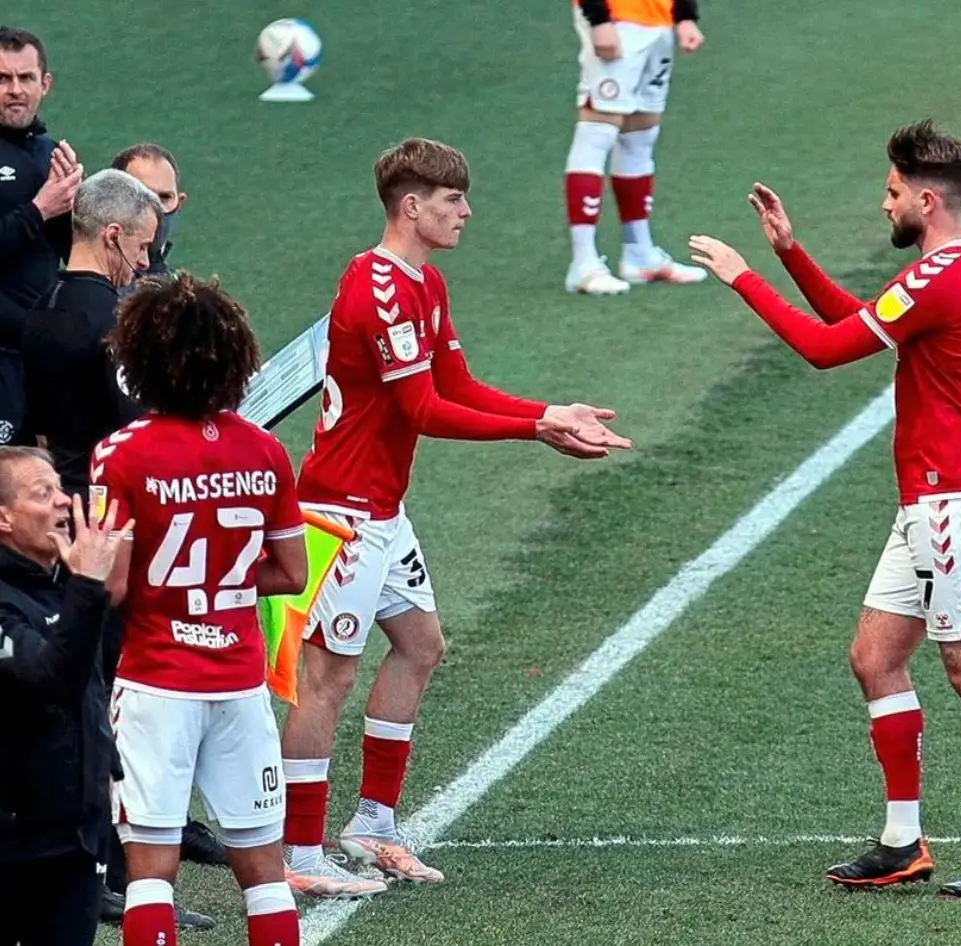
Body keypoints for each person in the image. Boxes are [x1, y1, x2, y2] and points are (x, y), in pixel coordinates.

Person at [687, 120, 961, 899]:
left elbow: (825, 350)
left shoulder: (939, 280)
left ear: (927, 198)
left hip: (954, 502)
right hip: (936, 499)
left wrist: (743, 275)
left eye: (892, 194)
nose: (884, 205)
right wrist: (790, 253)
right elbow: (861, 320)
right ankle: (902, 842)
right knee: (875, 657)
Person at [281, 136, 631, 897]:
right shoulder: (375, 288)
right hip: (341, 515)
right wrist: (535, 431)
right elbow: (425, 410)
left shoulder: (424, 283)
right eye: (452, 200)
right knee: (328, 678)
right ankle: (297, 854)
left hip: (382, 510)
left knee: (419, 644)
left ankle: (373, 826)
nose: (467, 212)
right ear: (412, 206)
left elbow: (456, 380)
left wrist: (549, 410)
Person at [92, 274, 308, 945]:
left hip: (157, 680)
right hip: (238, 679)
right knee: (265, 872)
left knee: (151, 872)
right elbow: (292, 571)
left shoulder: (122, 454)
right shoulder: (263, 450)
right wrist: (227, 587)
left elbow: (113, 584)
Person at [107, 144, 230, 874]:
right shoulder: (108, 293)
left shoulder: (163, 284)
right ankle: (130, 832)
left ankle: (170, 816)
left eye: (169, 199)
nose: (160, 211)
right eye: (147, 199)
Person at [0, 448, 131, 946]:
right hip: (14, 841)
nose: (63, 502)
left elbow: (89, 689)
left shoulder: (62, 583)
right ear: (4, 519)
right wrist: (89, 585)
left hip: (78, 832)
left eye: (60, 488)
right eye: (43, 493)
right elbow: (51, 682)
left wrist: (105, 769)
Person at [21, 168, 155, 495]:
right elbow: (139, 431)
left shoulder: (39, 311)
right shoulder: (119, 322)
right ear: (112, 236)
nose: (145, 262)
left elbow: (40, 434)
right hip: (111, 502)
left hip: (63, 499)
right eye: (142, 246)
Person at [562, 0, 706, 294]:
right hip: (617, 19)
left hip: (658, 20)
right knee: (597, 132)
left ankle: (639, 254)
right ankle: (583, 263)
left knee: (641, 135)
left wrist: (685, 15)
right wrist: (599, 19)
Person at [0, 26, 81, 445]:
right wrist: (40, 208)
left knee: (49, 482)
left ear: (44, 84)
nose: (15, 89)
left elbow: (68, 253)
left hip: (42, 357)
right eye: (3, 78)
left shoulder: (49, 152)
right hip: (1, 362)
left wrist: (77, 212)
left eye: (25, 78)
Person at [111, 143, 185, 283]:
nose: (156, 209)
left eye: (165, 197)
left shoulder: (185, 295)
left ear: (180, 203)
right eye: (143, 196)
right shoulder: (83, 291)